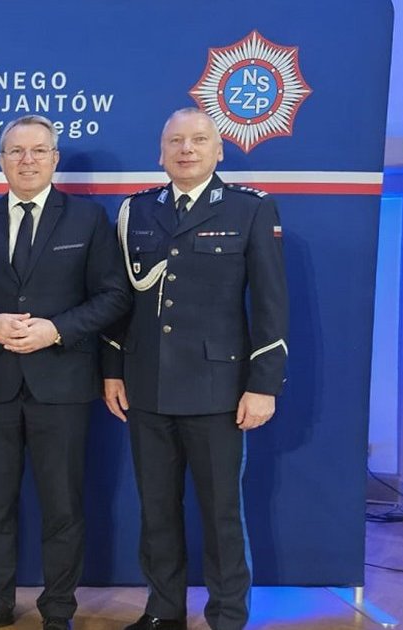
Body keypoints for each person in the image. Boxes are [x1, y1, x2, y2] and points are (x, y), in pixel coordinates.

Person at [0, 115, 130, 630]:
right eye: (16, 152)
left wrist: (58, 330)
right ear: (1, 161)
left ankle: (58, 609)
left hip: (62, 382)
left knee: (63, 505)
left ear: (55, 159)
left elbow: (113, 295)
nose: (27, 160)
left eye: (38, 151)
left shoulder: (88, 220)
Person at [101, 108, 288, 630]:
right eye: (175, 141)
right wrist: (113, 368)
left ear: (219, 150)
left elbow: (271, 305)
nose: (186, 149)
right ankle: (163, 612)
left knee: (221, 513)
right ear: (160, 152)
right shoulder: (136, 211)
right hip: (147, 386)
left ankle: (227, 615)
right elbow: (122, 300)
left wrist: (263, 385)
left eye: (199, 140)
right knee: (156, 511)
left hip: (218, 390)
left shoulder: (249, 209)